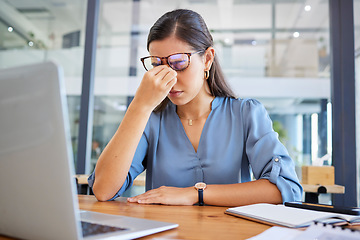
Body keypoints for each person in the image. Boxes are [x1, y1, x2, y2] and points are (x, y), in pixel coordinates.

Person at [88, 9, 302, 206]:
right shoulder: (151, 120)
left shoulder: (246, 114)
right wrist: (140, 105)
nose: (168, 77)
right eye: (156, 65)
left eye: (179, 63)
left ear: (207, 59)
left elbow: (287, 190)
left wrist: (195, 193)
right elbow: (104, 190)